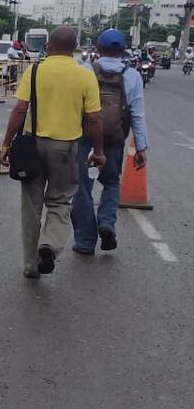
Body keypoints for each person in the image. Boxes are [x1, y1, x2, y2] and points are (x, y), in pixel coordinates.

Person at [0, 26, 104, 278]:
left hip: (32, 146)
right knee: (60, 201)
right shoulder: (85, 76)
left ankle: (30, 265)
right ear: (75, 48)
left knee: (31, 206)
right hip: (67, 148)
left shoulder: (35, 71)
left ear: (49, 46)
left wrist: (6, 143)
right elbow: (93, 118)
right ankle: (49, 245)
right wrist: (98, 151)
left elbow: (19, 110)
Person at [72, 29, 147, 255]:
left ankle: (85, 241)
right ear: (122, 51)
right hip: (114, 139)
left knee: (82, 188)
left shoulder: (85, 71)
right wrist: (141, 148)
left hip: (85, 139)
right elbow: (137, 114)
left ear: (98, 48)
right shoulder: (132, 75)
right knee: (111, 183)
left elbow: (76, 108)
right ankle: (106, 223)